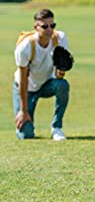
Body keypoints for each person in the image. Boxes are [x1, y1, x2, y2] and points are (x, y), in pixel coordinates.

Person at [13, 9, 70, 141]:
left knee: (62, 85)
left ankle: (57, 128)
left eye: (52, 25)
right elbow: (23, 80)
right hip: (26, 88)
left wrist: (61, 71)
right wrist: (23, 110)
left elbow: (59, 76)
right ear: (36, 27)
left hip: (46, 84)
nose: (50, 30)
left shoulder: (60, 39)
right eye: (45, 26)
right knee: (26, 135)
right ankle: (26, 121)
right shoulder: (25, 47)